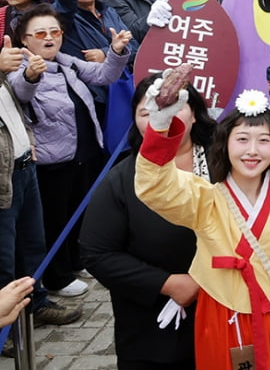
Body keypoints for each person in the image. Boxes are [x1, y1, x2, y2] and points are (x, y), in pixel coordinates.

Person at [134, 78, 270, 370]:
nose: (252, 150)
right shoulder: (206, 197)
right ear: (224, 145)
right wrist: (160, 127)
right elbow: (155, 187)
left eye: (264, 140)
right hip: (225, 316)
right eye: (241, 139)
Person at [79, 76, 216, 370]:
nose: (162, 115)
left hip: (226, 312)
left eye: (176, 106)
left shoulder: (227, 163)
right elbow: (97, 252)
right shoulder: (122, 178)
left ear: (194, 113)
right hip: (153, 325)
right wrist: (168, 284)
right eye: (147, 111)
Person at [8, 5, 131, 299]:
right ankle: (56, 277)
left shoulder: (67, 63)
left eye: (55, 32)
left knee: (80, 213)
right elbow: (21, 90)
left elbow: (104, 75)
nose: (49, 38)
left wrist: (115, 52)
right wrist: (31, 76)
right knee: (53, 221)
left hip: (84, 152)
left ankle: (77, 261)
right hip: (53, 161)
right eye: (40, 33)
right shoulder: (19, 70)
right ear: (25, 40)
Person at [0, 37, 82, 331]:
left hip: (23, 164)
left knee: (33, 245)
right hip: (2, 177)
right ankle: (7, 330)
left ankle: (36, 302)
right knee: (4, 258)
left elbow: (15, 103)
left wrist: (28, 75)